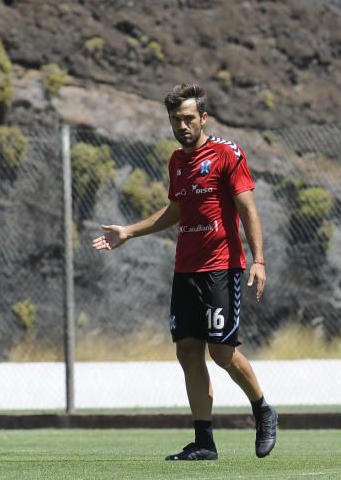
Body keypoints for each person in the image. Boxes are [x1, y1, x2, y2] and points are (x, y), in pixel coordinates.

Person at [92, 83, 277, 461]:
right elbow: (176, 211)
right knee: (189, 352)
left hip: (221, 268)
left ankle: (262, 409)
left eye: (189, 118)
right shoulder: (177, 161)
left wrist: (258, 261)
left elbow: (248, 210)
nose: (183, 125)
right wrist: (128, 231)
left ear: (203, 118)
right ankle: (204, 442)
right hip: (186, 271)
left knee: (222, 353)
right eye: (176, 119)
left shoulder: (228, 154)